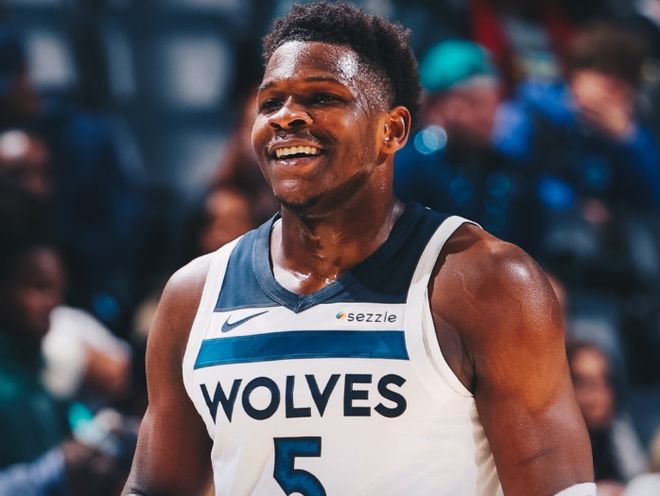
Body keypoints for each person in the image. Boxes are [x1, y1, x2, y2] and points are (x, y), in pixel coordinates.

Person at [123, 2, 593, 495]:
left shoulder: (487, 284)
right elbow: (154, 488)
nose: (287, 117)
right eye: (270, 102)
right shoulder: (194, 296)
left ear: (393, 130)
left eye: (323, 97)